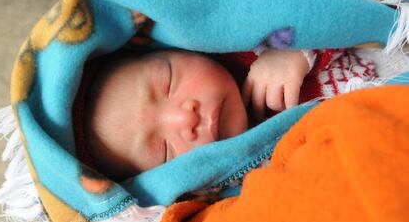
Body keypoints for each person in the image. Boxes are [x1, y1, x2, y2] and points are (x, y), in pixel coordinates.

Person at [73, 46, 377, 181]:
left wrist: (295, 48)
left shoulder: (256, 42)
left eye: (167, 83)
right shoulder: (244, 185)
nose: (184, 119)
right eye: (162, 151)